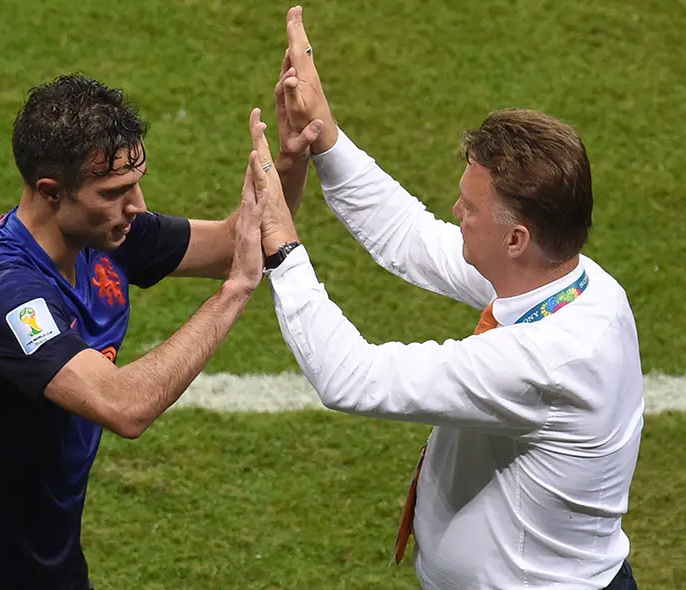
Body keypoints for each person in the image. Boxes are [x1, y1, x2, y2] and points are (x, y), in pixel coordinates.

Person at [256, 6, 643, 589]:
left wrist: (282, 251)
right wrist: (325, 137)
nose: (456, 212)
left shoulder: (545, 362)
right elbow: (410, 238)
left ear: (517, 237)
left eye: (470, 207)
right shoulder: (577, 285)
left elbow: (353, 376)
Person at [0, 74, 304, 590]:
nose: (137, 204)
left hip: (50, 570)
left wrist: (292, 158)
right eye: (115, 191)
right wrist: (234, 293)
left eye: (135, 182)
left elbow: (236, 244)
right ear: (51, 193)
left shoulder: (107, 233)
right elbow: (124, 405)